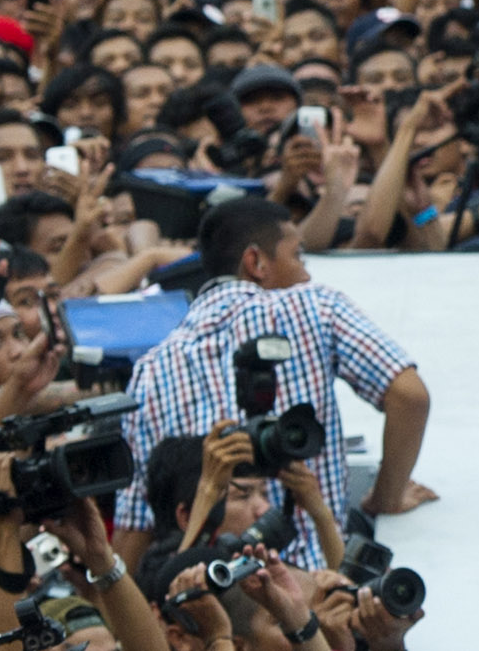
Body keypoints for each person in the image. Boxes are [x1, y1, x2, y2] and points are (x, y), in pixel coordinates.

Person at [119, 195, 435, 566]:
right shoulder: (314, 306)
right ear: (256, 262)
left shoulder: (149, 370)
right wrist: (386, 498)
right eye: (298, 256)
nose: (306, 274)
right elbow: (410, 397)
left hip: (215, 599)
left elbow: (137, 527)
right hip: (318, 586)